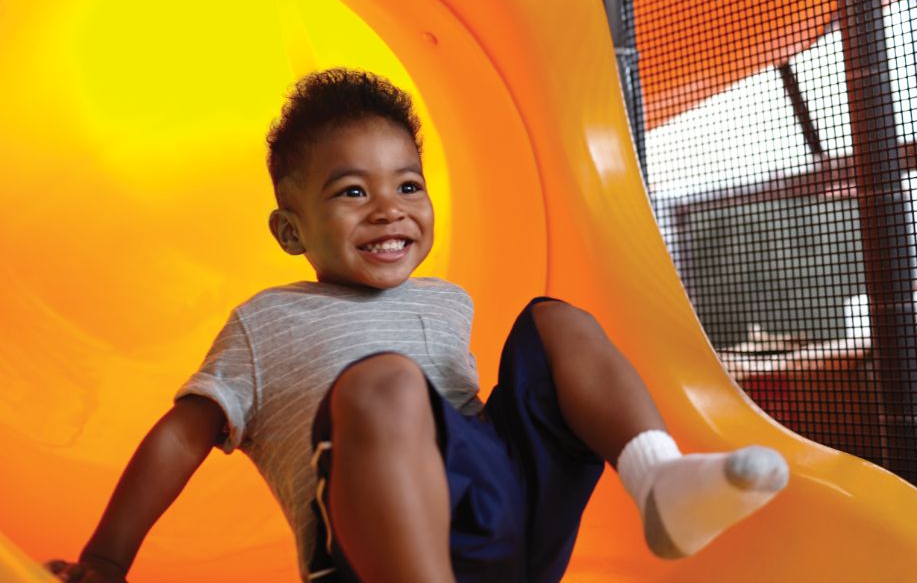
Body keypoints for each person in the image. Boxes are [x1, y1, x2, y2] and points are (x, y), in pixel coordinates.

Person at [48, 68, 789, 583]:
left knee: (553, 320)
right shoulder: (265, 323)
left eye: (408, 185)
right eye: (351, 191)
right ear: (289, 229)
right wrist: (109, 559)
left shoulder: (446, 299)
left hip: (512, 523)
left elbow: (498, 419)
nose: (388, 208)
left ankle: (657, 481)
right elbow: (183, 433)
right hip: (382, 555)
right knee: (384, 381)